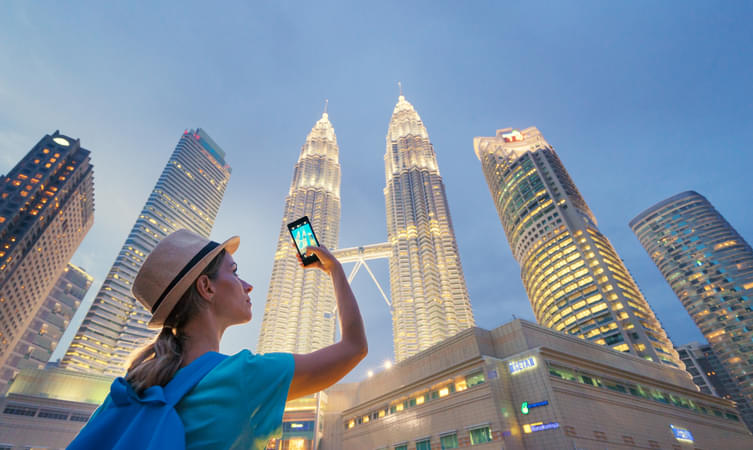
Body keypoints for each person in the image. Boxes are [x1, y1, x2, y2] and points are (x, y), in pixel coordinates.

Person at [83, 228, 368, 449]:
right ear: (206, 287)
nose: (248, 285)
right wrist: (335, 269)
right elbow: (354, 347)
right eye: (234, 272)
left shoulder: (131, 389)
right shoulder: (244, 376)